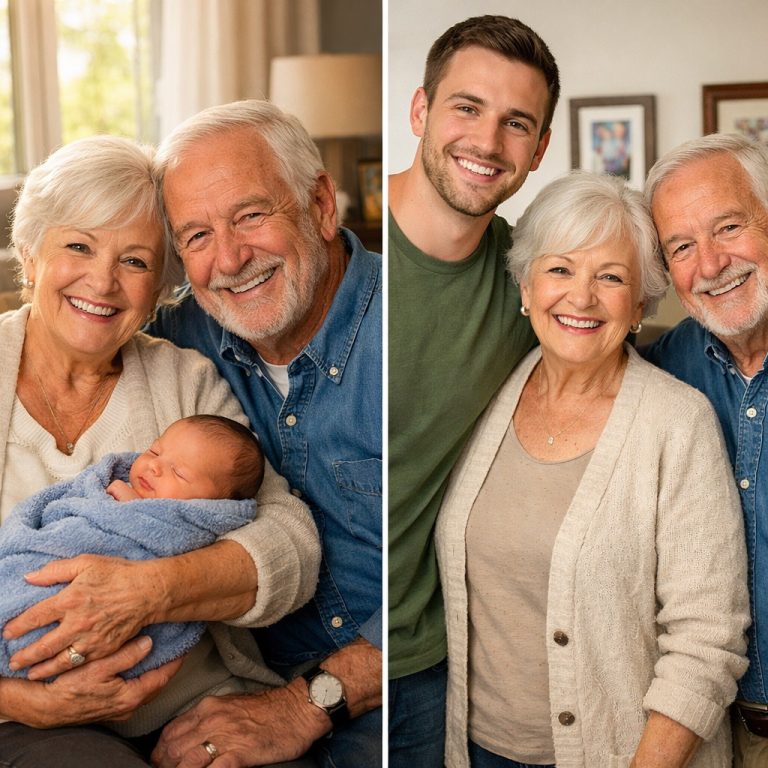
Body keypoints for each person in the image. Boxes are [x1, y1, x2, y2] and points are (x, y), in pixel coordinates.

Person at [0, 135, 319, 768]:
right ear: (30, 254)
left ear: (161, 288)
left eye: (136, 261)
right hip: (29, 721)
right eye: (78, 246)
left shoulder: (185, 379)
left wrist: (150, 590)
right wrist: (15, 700)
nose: (103, 281)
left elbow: (292, 541)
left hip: (196, 705)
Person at [436, 170, 750, 768]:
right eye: (560, 270)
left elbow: (706, 640)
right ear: (526, 286)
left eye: (610, 277)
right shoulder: (484, 395)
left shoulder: (677, 422)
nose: (580, 298)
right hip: (474, 749)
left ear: (639, 304)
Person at [147, 99, 382, 768]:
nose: (229, 259)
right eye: (196, 235)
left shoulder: (416, 339)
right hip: (239, 689)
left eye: (251, 215)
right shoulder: (182, 343)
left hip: (400, 689)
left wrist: (306, 705)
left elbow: (475, 581)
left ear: (321, 205)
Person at [387, 15, 559, 765]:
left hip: (421, 659)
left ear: (540, 147)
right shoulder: (335, 250)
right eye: (467, 108)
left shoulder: (529, 284)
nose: (488, 144)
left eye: (516, 123)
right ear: (421, 111)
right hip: (279, 639)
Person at [642, 133, 768, 767]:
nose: (712, 265)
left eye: (729, 227)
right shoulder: (657, 377)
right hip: (708, 729)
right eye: (683, 247)